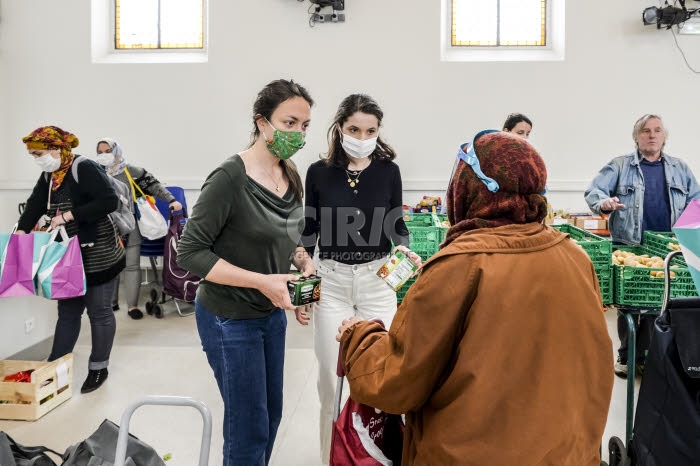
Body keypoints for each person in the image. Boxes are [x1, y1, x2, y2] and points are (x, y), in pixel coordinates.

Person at [335, 130, 614, 466]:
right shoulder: (575, 257)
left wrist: (359, 337)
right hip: (568, 452)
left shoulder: (458, 267)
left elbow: (398, 381)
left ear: (466, 188)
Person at [176, 79, 316, 466]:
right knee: (247, 424)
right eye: (289, 123)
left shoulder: (291, 175)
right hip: (229, 317)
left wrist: (302, 262)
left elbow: (289, 239)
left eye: (304, 126)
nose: (298, 133)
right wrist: (262, 282)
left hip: (271, 316)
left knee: (270, 416)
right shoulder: (229, 178)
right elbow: (190, 251)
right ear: (262, 122)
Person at [297, 93, 421, 465]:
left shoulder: (389, 171)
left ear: (378, 132)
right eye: (354, 128)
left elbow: (396, 224)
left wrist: (406, 250)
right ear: (340, 128)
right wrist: (302, 276)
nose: (362, 136)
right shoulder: (318, 173)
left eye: (370, 130)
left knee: (382, 374)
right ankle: (331, 456)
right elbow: (309, 230)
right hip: (331, 280)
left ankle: (380, 455)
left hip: (377, 281)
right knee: (330, 378)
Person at [584, 114, 700, 379]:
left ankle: (648, 356)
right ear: (637, 136)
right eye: (646, 131)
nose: (652, 135)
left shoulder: (680, 168)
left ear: (664, 136)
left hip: (666, 249)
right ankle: (626, 357)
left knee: (658, 303)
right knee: (629, 305)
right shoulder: (620, 165)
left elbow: (696, 201)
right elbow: (594, 192)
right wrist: (605, 203)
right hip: (629, 246)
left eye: (657, 130)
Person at [17, 126, 126, 394]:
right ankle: (55, 366)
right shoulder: (50, 174)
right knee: (67, 312)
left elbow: (109, 202)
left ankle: (99, 367)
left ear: (56, 148)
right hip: (66, 255)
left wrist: (67, 216)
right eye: (32, 154)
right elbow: (35, 204)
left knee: (99, 312)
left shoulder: (84, 167)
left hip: (97, 253)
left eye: (38, 153)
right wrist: (21, 230)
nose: (36, 158)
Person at [94, 138, 183, 320]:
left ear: (117, 151)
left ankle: (132, 306)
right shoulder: (95, 172)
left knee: (132, 266)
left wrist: (172, 200)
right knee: (110, 266)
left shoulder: (131, 172)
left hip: (130, 224)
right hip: (106, 227)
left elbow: (155, 185)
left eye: (107, 151)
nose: (104, 155)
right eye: (100, 152)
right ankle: (111, 303)